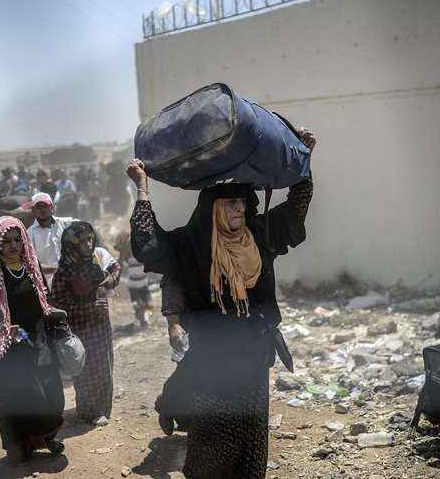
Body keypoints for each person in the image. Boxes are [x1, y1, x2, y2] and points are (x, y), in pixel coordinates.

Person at [127, 127, 315, 478]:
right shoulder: (190, 245)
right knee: (212, 442)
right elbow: (148, 245)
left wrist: (303, 158)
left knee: (251, 437)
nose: (240, 209)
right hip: (212, 360)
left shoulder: (259, 236)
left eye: (243, 203)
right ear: (213, 208)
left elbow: (297, 207)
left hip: (255, 355)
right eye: (232, 204)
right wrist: (141, 188)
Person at [0, 216, 66, 463]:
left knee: (48, 390)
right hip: (7, 348)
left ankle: (47, 437)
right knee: (13, 396)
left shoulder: (32, 268)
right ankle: (19, 444)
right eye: (6, 241)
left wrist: (53, 313)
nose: (13, 246)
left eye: (17, 240)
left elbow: (45, 298)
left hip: (36, 342)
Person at [51, 221, 120, 424]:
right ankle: (88, 410)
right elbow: (57, 304)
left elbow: (115, 267)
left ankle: (102, 408)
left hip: (101, 325)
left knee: (104, 365)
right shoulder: (64, 272)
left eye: (89, 239)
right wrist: (86, 308)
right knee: (85, 369)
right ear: (71, 244)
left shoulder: (97, 258)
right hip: (80, 328)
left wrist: (111, 280)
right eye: (81, 241)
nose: (87, 244)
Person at [27, 192, 75, 288]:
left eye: (45, 206)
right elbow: (32, 265)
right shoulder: (30, 234)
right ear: (33, 210)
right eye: (38, 207)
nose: (42, 209)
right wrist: (57, 269)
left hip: (71, 280)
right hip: (47, 285)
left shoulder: (65, 224)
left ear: (52, 207)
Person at [114, 229, 152, 329]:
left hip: (137, 283)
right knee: (143, 302)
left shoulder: (127, 249)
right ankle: (144, 320)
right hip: (140, 282)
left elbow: (120, 263)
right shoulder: (138, 246)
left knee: (140, 303)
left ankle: (143, 319)